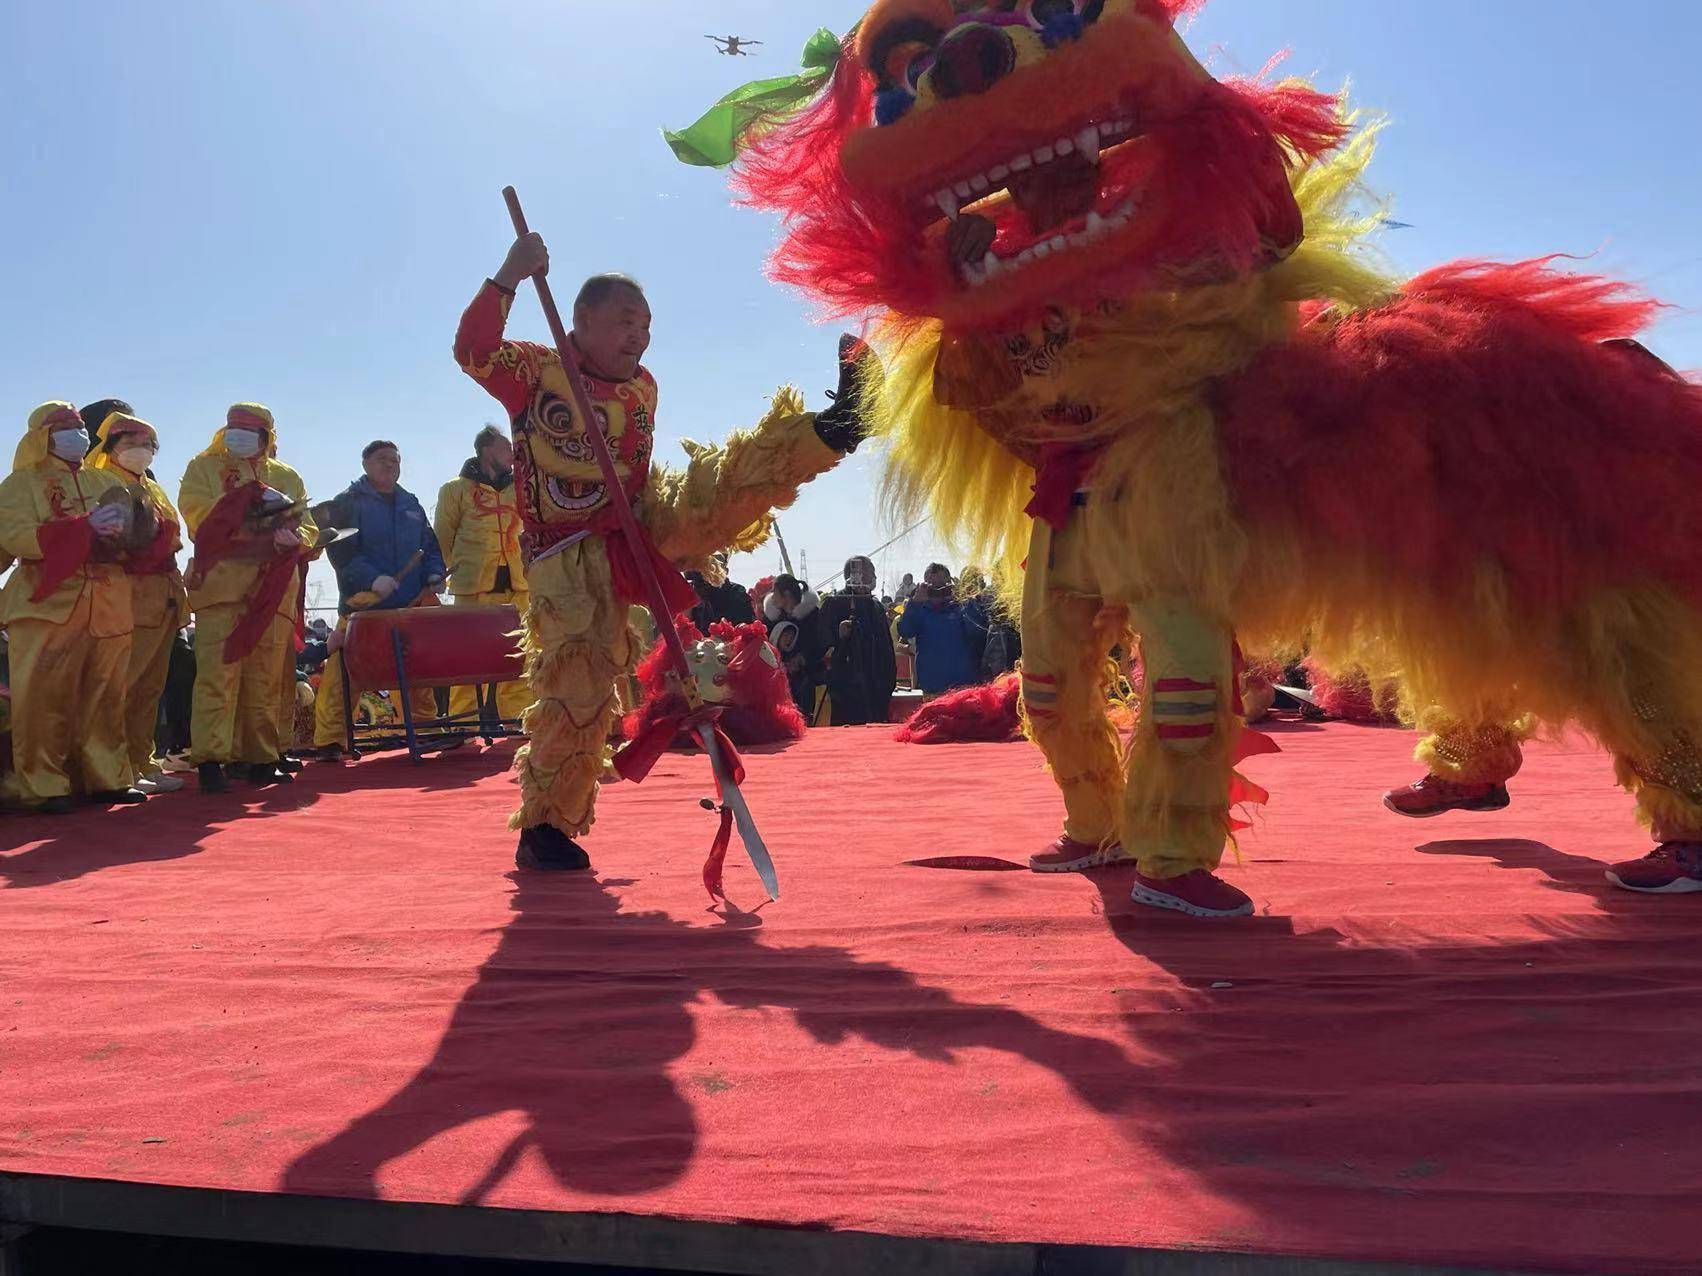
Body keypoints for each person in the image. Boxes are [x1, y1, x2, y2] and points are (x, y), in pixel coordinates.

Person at [454, 230, 873, 871]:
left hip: (634, 519)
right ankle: (544, 826)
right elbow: (472, 350)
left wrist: (670, 532)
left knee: (714, 494)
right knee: (580, 680)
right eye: (625, 323)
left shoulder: (645, 387)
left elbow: (643, 477)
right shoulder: (537, 371)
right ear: (582, 322)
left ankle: (834, 427)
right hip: (564, 551)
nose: (639, 337)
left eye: (646, 325)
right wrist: (509, 275)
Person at [0, 402, 140, 811]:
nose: (76, 435)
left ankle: (107, 778)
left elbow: (135, 533)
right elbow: (17, 536)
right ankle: (43, 785)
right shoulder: (18, 485)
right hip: (46, 603)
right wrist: (81, 529)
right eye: (64, 428)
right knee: (43, 698)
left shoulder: (102, 480)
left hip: (108, 601)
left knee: (107, 693)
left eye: (79, 427)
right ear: (41, 436)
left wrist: (128, 530)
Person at [178, 404, 317, 793]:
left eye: (251, 429)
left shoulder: (288, 476)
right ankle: (210, 759)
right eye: (234, 427)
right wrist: (250, 513)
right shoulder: (201, 469)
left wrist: (298, 540)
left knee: (266, 679)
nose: (240, 434)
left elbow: (309, 527)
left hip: (274, 589)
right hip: (222, 588)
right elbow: (198, 521)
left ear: (268, 435)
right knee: (217, 677)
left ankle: (261, 758)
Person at [310, 441, 444, 754]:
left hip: (408, 606)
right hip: (363, 608)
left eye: (395, 460)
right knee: (347, 674)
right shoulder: (347, 502)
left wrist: (434, 573)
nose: (390, 465)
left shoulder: (411, 503)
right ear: (366, 464)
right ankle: (330, 740)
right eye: (383, 459)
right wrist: (372, 579)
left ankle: (425, 728)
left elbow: (430, 545)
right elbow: (341, 552)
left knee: (416, 674)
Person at [81, 409, 190, 795]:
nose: (140, 451)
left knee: (149, 688)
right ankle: (113, 767)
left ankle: (143, 761)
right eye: (130, 443)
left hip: (163, 596)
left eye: (147, 445)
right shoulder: (97, 482)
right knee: (122, 687)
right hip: (127, 595)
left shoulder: (153, 487)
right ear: (110, 447)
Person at [435, 425, 531, 727]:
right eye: (507, 449)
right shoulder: (455, 489)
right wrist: (442, 574)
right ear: (487, 450)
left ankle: (518, 720)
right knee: (468, 656)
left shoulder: (521, 488)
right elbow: (443, 537)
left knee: (520, 655)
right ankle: (464, 724)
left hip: (517, 585)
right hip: (472, 587)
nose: (513, 456)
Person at [819, 555, 897, 725]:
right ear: (857, 573)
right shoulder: (835, 603)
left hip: (877, 686)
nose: (875, 578)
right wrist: (839, 637)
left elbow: (886, 646)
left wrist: (888, 681)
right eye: (872, 572)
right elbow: (822, 646)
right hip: (847, 688)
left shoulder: (875, 605)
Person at [896, 563, 982, 699]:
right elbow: (905, 631)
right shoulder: (919, 609)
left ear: (950, 584)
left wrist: (966, 599)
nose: (936, 592)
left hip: (963, 687)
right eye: (931, 587)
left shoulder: (961, 606)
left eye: (941, 587)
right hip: (932, 687)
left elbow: (977, 632)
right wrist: (915, 603)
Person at [763, 573, 824, 718]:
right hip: (780, 675)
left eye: (775, 592)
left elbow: (819, 642)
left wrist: (802, 659)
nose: (772, 596)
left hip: (807, 677)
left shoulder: (812, 614)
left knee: (804, 714)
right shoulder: (773, 617)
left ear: (787, 594)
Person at [685, 553, 756, 633]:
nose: (695, 586)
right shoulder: (693, 603)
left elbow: (746, 635)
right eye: (694, 578)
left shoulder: (736, 594)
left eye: (703, 578)